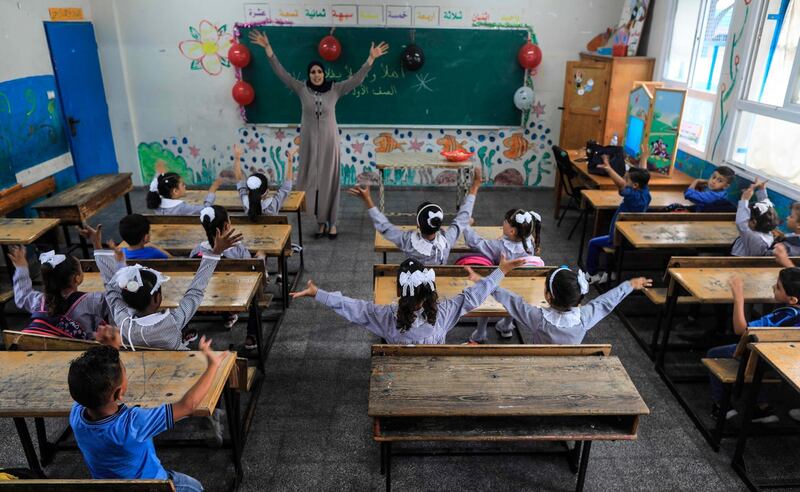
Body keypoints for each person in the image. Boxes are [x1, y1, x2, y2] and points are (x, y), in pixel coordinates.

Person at [249, 29, 389, 239]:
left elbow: (356, 79)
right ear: (309, 74)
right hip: (308, 144)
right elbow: (281, 73)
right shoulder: (300, 88)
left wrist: (370, 59)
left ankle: (332, 223)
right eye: (313, 72)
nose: (316, 75)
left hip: (329, 143)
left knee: (330, 181)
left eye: (319, 72)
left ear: (324, 73)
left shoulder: (335, 89)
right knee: (311, 183)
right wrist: (268, 49)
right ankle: (320, 222)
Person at [69, 325, 225, 491]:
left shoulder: (76, 415)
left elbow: (93, 383)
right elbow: (188, 405)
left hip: (110, 487)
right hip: (153, 486)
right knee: (195, 486)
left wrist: (111, 348)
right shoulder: (134, 424)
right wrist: (213, 365)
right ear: (119, 392)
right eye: (124, 371)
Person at [290, 255, 526, 344]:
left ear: (400, 292)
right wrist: (501, 271)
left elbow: (353, 306)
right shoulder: (443, 313)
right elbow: (475, 295)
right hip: (435, 376)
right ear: (427, 293)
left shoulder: (384, 317)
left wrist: (317, 293)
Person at [79, 223, 241, 350]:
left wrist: (97, 245)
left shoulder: (123, 322)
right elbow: (196, 292)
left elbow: (111, 289)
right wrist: (215, 252)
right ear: (157, 299)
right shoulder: (173, 322)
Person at [706, 271, 800, 424]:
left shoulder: (784, 315)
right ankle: (762, 407)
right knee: (757, 364)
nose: (773, 287)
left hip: (767, 359)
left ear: (792, 299)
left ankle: (722, 407)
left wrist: (738, 297)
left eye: (778, 287)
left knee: (714, 354)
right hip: (790, 361)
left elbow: (741, 330)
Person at [481, 265, 651, 344]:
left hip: (536, 367)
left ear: (548, 296)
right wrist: (629, 285)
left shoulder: (538, 319)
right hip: (568, 368)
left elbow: (513, 302)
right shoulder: (584, 318)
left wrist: (488, 284)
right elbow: (605, 302)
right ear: (579, 299)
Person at [347, 168, 481, 265]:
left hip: (413, 289)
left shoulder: (408, 242)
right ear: (439, 225)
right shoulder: (447, 240)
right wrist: (474, 186)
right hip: (436, 285)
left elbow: (384, 227)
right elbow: (463, 217)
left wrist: (368, 199)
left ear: (418, 225)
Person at [462, 208, 545, 343]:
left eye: (505, 222)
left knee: (486, 294)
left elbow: (475, 242)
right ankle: (506, 326)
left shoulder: (499, 246)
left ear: (512, 231)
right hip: (521, 288)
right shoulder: (530, 243)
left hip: (497, 283)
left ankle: (480, 333)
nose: (503, 223)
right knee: (513, 298)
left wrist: (465, 225)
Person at [191, 205, 263, 348]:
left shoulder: (197, 251)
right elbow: (251, 274)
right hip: (237, 300)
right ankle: (251, 336)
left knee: (216, 284)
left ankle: (228, 316)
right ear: (227, 225)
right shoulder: (238, 249)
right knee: (256, 291)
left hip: (204, 302)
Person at [8, 246, 109, 339]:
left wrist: (21, 268)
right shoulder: (93, 301)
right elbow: (114, 296)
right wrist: (98, 247)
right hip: (84, 353)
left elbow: (23, 296)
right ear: (77, 279)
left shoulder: (40, 301)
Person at [586, 157, 651, 284]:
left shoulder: (632, 196)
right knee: (612, 245)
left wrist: (609, 170)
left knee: (593, 243)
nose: (623, 179)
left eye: (626, 179)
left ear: (635, 185)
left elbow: (621, 185)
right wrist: (644, 157)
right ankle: (611, 272)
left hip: (618, 238)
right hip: (629, 235)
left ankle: (592, 274)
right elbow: (643, 174)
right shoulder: (645, 192)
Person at [234, 144, 295, 219]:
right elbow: (287, 187)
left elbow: (239, 181)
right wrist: (290, 161)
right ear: (267, 191)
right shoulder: (273, 205)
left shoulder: (246, 202)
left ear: (249, 192)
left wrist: (237, 158)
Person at [147, 160, 222, 215]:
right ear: (175, 191)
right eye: (182, 184)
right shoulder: (182, 207)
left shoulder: (156, 203)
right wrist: (212, 190)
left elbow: (156, 184)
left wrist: (159, 173)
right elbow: (206, 209)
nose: (185, 186)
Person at [732, 179, 779, 256]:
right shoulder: (767, 231)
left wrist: (744, 200)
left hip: (737, 260)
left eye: (747, 218)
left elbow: (741, 223)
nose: (746, 219)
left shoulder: (754, 237)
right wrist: (761, 189)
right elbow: (768, 208)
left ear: (754, 222)